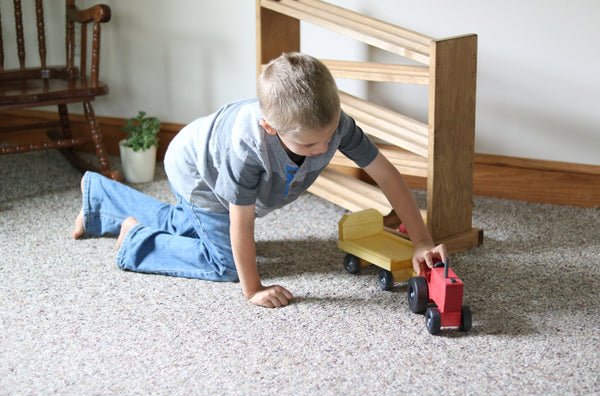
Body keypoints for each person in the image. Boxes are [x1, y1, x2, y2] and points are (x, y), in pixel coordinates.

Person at [72, 52, 448, 308]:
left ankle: (101, 199)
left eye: (329, 135)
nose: (323, 148)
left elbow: (386, 174)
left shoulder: (337, 125)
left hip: (207, 157)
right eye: (308, 143)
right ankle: (136, 241)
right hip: (198, 174)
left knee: (195, 226)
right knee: (225, 264)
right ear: (270, 127)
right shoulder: (248, 148)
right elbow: (242, 220)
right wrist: (252, 288)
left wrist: (422, 240)